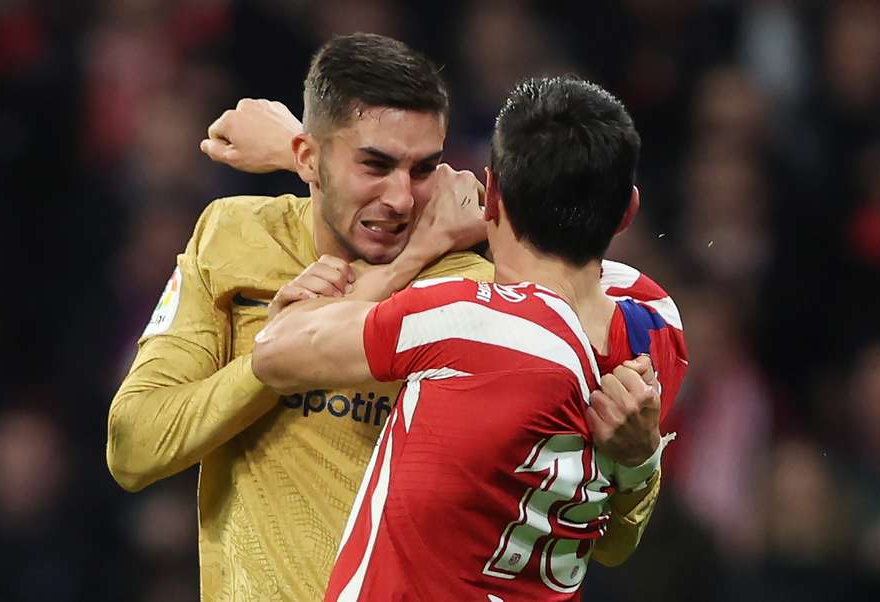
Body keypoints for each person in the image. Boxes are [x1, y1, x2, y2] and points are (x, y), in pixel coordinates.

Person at [108, 33, 663, 601]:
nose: (400, 199)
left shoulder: (479, 294)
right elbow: (133, 447)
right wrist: (268, 364)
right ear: (306, 158)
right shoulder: (233, 236)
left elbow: (594, 535)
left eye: (423, 170)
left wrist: (639, 464)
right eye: (375, 164)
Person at [251, 75, 687, 601]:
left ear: (494, 194)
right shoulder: (658, 328)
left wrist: (422, 242)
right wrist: (640, 461)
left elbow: (274, 352)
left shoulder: (469, 323)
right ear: (627, 213)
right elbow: (614, 545)